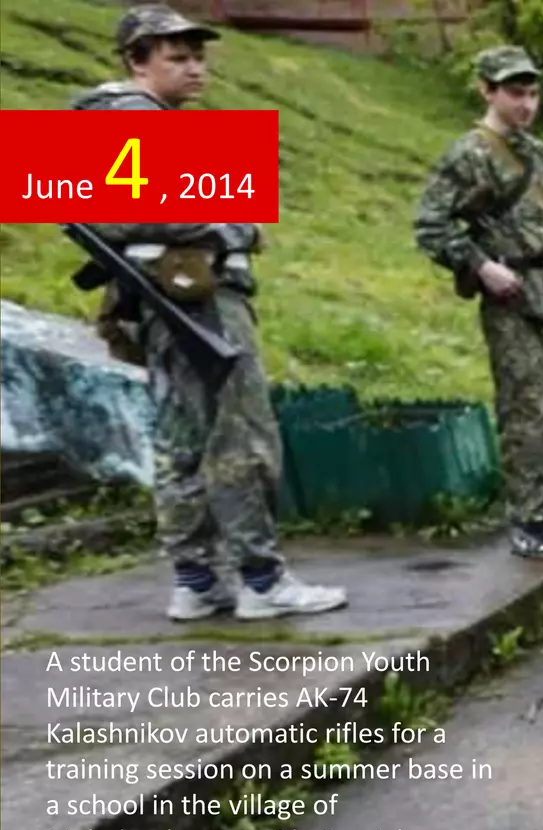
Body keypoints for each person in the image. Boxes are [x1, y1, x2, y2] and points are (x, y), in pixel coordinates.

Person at [71, 5, 348, 622]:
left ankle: (196, 581)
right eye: (177, 58)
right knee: (240, 435)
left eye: (199, 57)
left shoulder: (126, 119)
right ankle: (261, 580)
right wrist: (234, 221)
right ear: (136, 61)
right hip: (197, 299)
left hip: (167, 300)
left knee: (182, 441)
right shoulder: (134, 119)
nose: (196, 68)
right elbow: (143, 207)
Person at [413, 46, 543, 561]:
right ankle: (528, 515)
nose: (526, 104)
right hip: (513, 298)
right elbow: (430, 225)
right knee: (525, 409)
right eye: (514, 93)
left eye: (532, 94)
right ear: (487, 90)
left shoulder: (539, 153)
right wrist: (481, 266)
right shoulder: (470, 155)